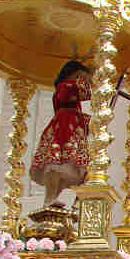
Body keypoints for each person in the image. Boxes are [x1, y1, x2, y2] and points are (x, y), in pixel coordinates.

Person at [30, 60, 92, 208]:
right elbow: (84, 93)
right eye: (80, 77)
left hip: (71, 127)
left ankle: (53, 198)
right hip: (64, 129)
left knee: (64, 169)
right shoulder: (66, 86)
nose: (83, 81)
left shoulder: (70, 90)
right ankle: (49, 198)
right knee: (56, 165)